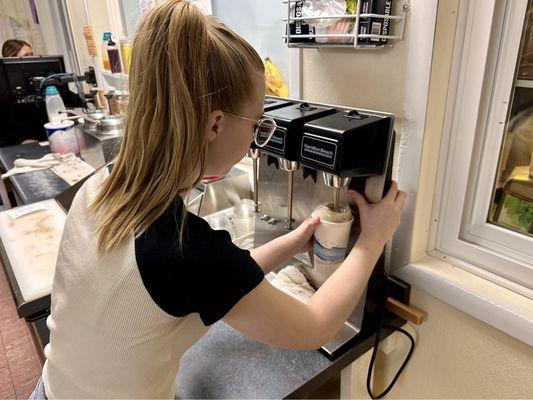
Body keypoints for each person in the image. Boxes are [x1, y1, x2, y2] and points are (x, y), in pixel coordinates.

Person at [29, 1, 407, 398]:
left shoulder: (102, 186)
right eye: (258, 123)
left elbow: (217, 282)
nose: (255, 139)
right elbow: (314, 326)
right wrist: (371, 240)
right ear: (215, 123)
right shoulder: (183, 248)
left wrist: (290, 244)